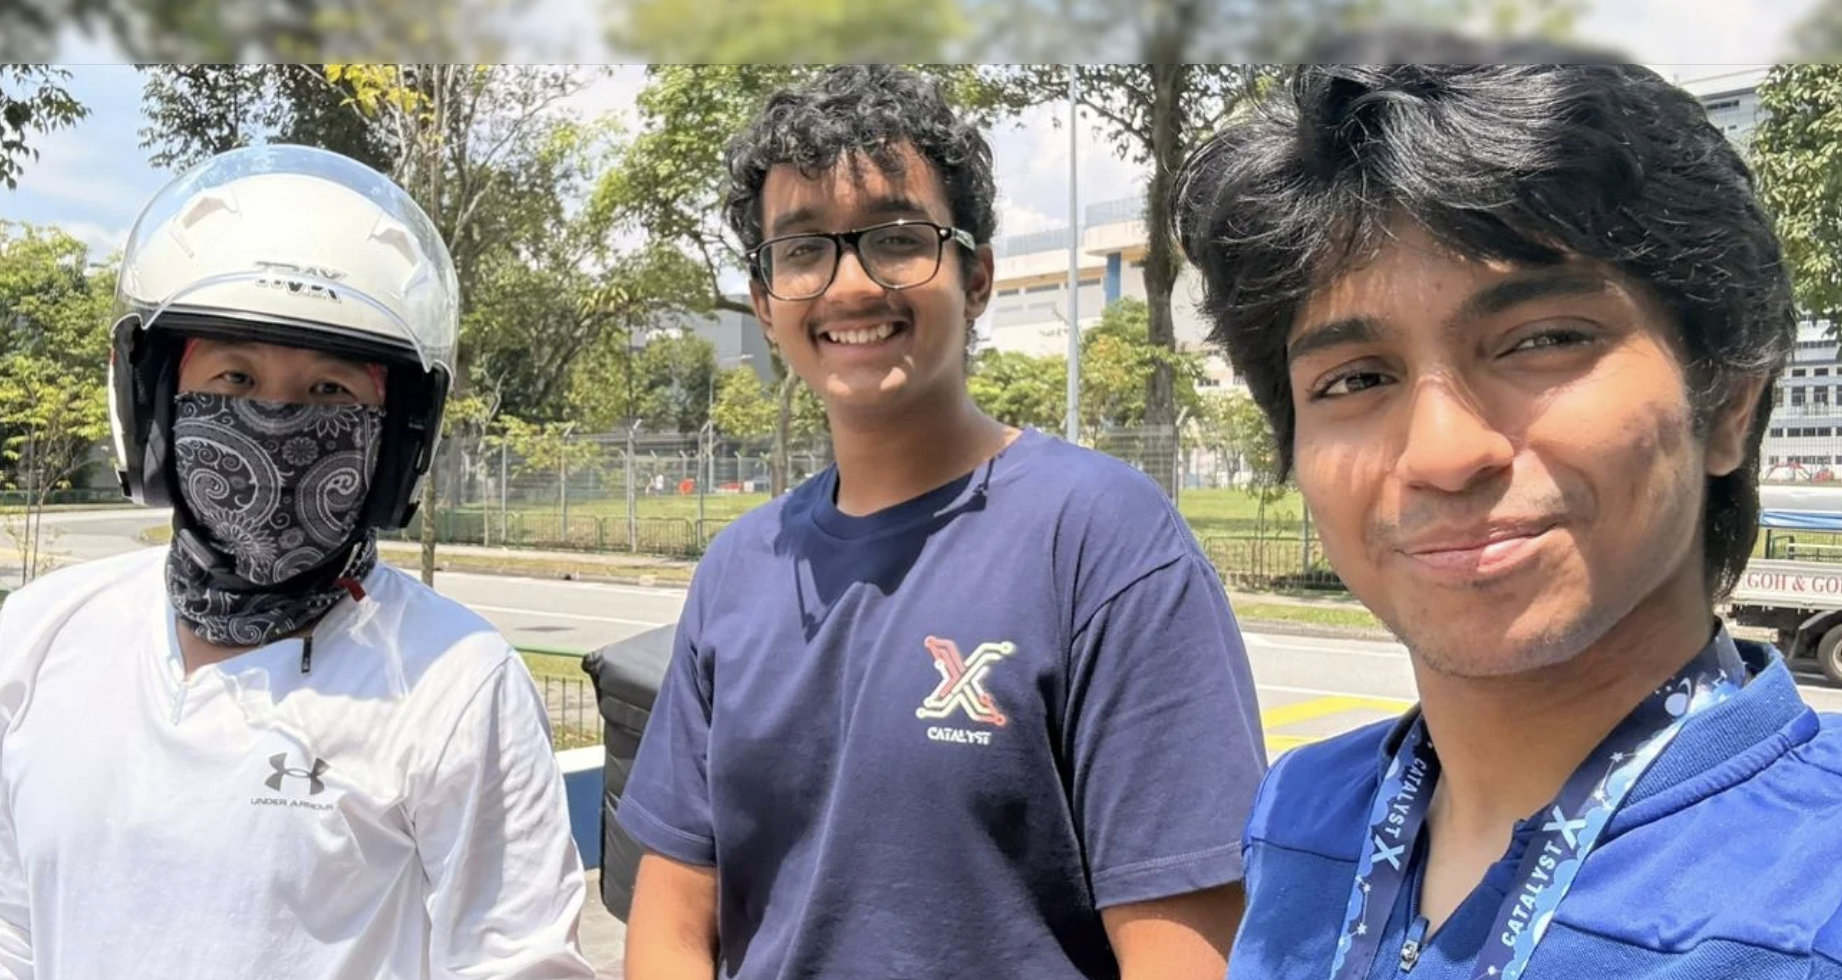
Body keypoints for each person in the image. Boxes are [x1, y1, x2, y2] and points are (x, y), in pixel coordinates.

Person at [1174, 62, 1842, 978]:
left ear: (1726, 400)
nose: (1443, 453)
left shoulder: (1814, 899)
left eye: (1544, 341)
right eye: (1356, 379)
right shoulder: (1302, 812)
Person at [618, 65, 1267, 980]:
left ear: (978, 277)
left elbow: (1189, 956)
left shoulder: (1103, 542)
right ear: (764, 303)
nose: (850, 286)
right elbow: (671, 925)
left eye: (896, 239)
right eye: (801, 250)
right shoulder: (737, 567)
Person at [0, 145, 596, 979]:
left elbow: (520, 960)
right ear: (157, 404)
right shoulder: (40, 636)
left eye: (329, 392)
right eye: (235, 378)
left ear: (395, 440)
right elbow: (16, 932)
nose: (275, 420)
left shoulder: (455, 681)